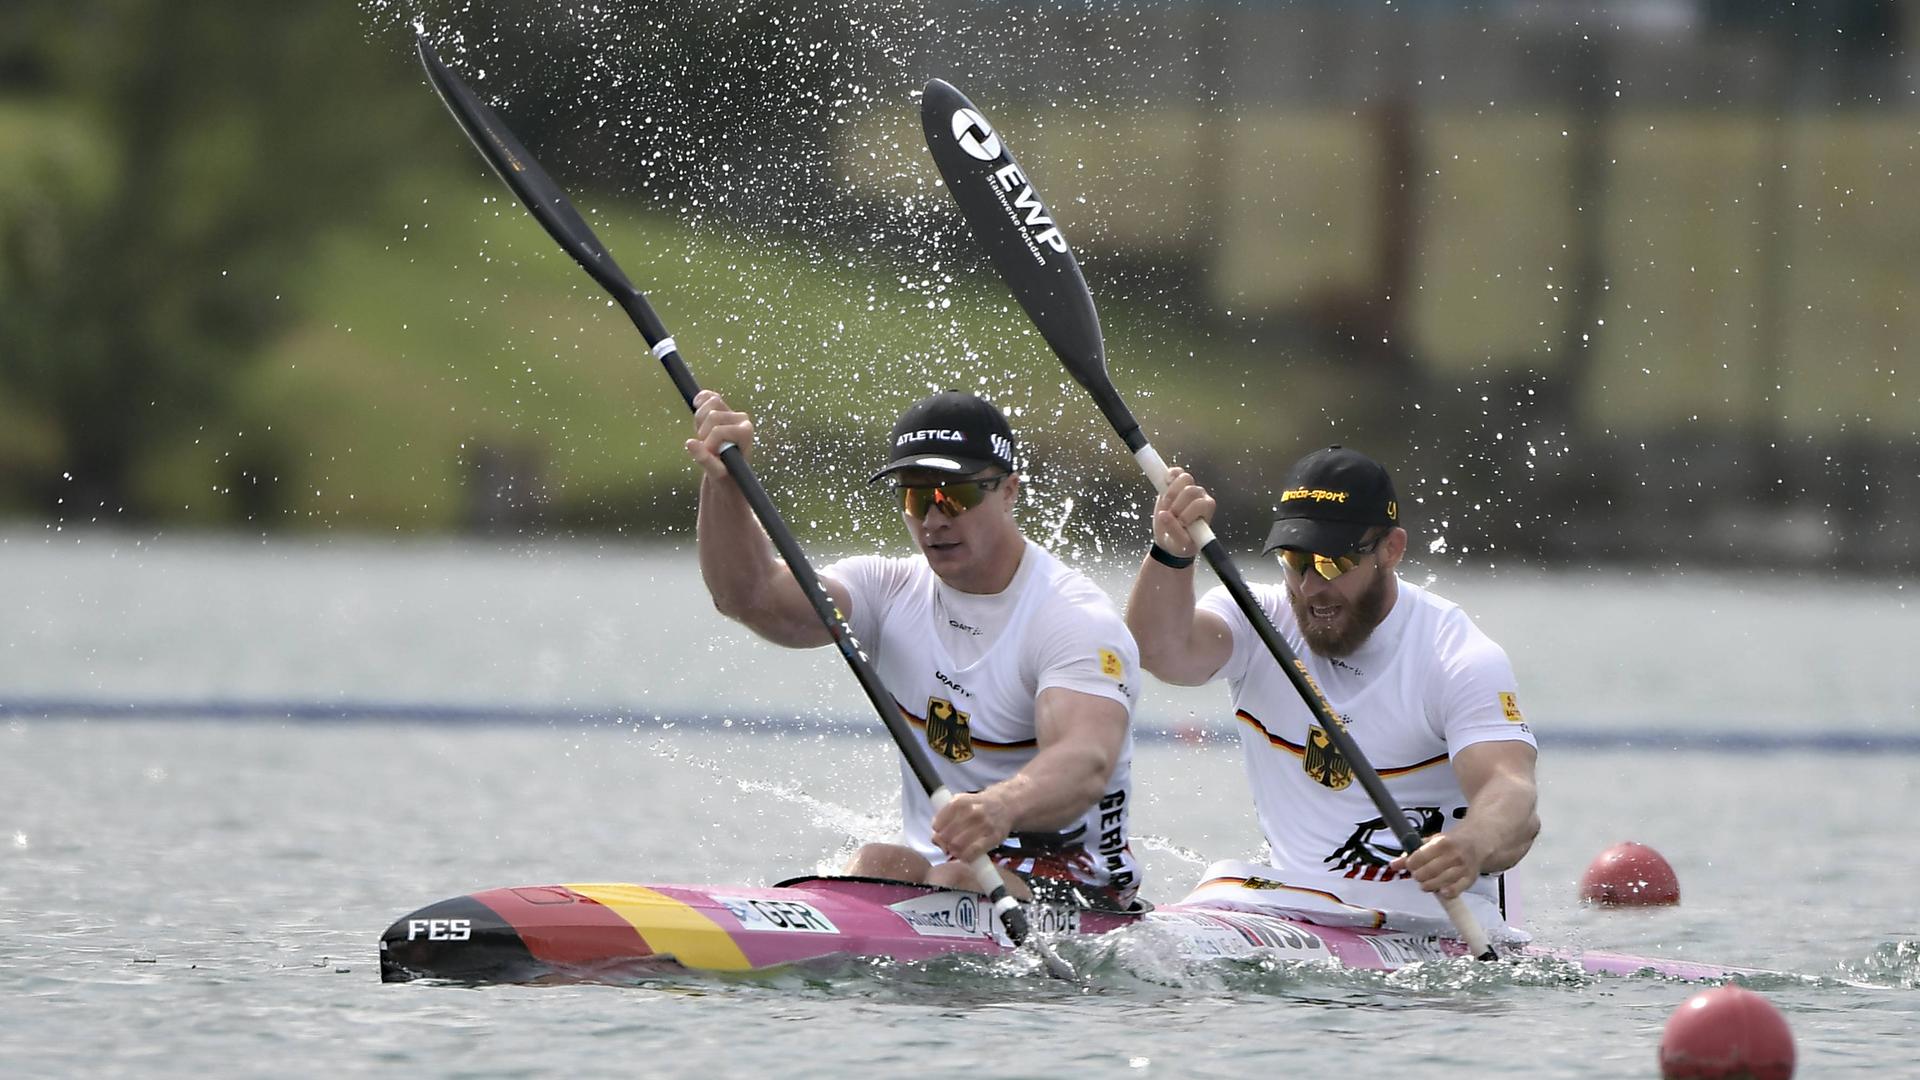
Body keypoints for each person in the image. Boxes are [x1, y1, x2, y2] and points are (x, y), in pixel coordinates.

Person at [687, 388, 1144, 910]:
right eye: (916, 497)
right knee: (878, 863)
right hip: (950, 867)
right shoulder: (888, 591)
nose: (933, 519)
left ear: (1009, 491)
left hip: (1080, 882)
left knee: (956, 881)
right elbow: (750, 597)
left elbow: (1086, 762)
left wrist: (999, 807)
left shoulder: (1071, 619)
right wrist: (725, 486)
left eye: (956, 496)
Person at [1125, 446, 1539, 936]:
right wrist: (1171, 553)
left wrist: (1471, 844)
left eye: (1332, 563)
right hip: (1297, 905)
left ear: (1391, 549)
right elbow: (1161, 653)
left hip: (1429, 920)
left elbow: (1512, 796)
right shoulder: (1258, 616)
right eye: (1294, 560)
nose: (1310, 587)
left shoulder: (1454, 655)